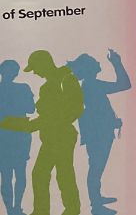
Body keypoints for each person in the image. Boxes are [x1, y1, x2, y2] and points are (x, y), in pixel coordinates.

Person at [0, 51, 83, 215]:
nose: (36, 73)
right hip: (51, 135)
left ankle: (71, 210)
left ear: (44, 64)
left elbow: (76, 108)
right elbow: (43, 115)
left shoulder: (66, 79)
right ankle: (41, 211)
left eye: (36, 69)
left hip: (63, 135)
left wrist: (51, 120)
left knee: (62, 173)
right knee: (41, 173)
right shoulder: (48, 85)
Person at [65, 51, 130, 215]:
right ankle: (96, 206)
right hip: (99, 135)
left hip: (98, 134)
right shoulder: (92, 85)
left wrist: (113, 122)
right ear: (90, 68)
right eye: (94, 62)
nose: (98, 63)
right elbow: (124, 84)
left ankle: (97, 199)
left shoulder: (88, 85)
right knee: (96, 169)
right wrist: (116, 62)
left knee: (96, 168)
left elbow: (98, 112)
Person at [0, 60, 35, 215]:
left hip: (15, 135)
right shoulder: (23, 88)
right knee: (10, 174)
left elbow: (31, 108)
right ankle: (12, 210)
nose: (12, 73)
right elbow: (29, 107)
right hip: (12, 135)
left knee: (15, 174)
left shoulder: (23, 88)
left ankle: (15, 209)